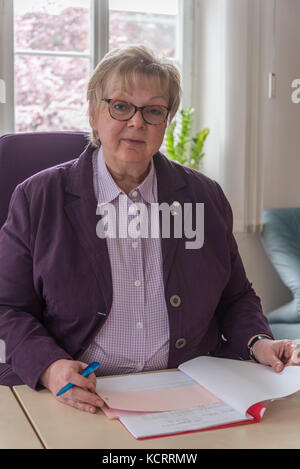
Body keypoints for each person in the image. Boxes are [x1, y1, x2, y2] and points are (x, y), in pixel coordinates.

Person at [0, 45, 298, 414]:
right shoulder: (38, 197)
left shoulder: (203, 197)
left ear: (165, 122)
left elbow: (235, 296)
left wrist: (258, 343)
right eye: (121, 106)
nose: (137, 122)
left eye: (154, 110)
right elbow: (9, 307)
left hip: (190, 386)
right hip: (79, 394)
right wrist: (49, 368)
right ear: (94, 112)